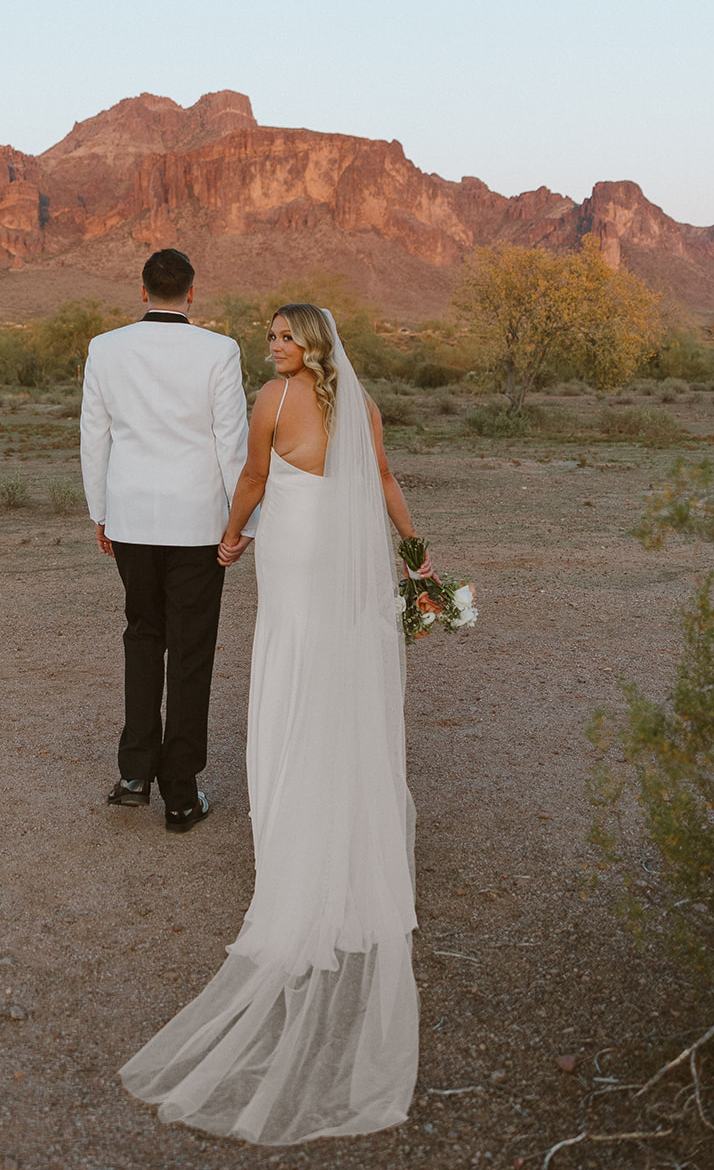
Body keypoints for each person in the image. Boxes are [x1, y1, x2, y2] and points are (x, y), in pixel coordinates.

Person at [120, 303, 426, 1142]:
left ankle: (296, 820)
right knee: (340, 669)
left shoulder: (275, 401)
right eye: (271, 341)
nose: (273, 347)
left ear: (310, 345)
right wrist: (414, 550)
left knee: (291, 662)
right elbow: (388, 479)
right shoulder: (356, 403)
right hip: (345, 548)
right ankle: (341, 810)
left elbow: (253, 482)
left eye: (284, 338)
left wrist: (227, 540)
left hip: (293, 549)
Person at [79, 249, 253, 832]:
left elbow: (94, 436)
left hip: (131, 519)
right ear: (191, 292)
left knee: (141, 634)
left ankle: (134, 773)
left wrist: (100, 513)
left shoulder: (105, 348)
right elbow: (231, 443)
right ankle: (180, 792)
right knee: (191, 650)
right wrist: (242, 524)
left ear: (144, 290)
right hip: (199, 525)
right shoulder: (219, 351)